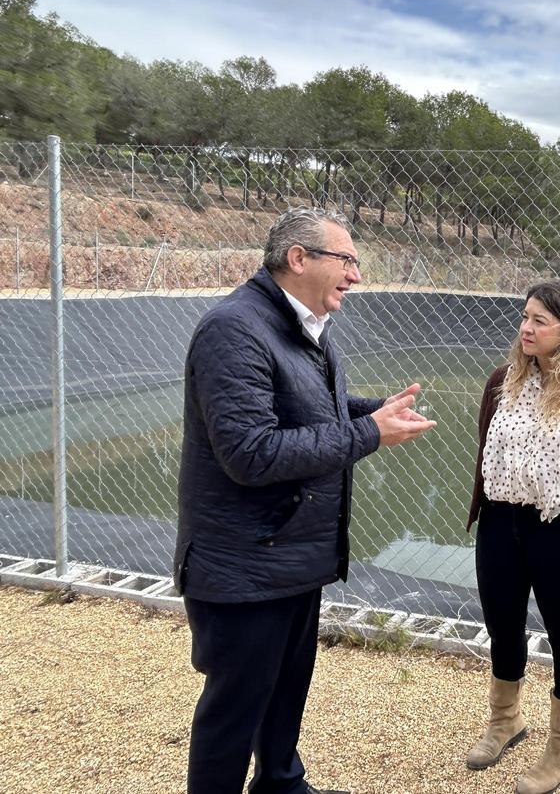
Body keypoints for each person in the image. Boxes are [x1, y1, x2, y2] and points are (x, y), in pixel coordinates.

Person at [173, 207, 436, 794]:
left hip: (291, 557)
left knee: (286, 688)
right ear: (299, 258)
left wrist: (372, 411)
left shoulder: (306, 326)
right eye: (347, 260)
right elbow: (250, 451)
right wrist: (371, 433)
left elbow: (308, 409)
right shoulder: (234, 329)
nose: (357, 275)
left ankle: (281, 785)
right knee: (234, 712)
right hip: (244, 565)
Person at [464, 280, 560, 794]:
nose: (525, 328)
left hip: (558, 532)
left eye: (539, 320)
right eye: (525, 317)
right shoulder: (501, 380)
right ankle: (505, 720)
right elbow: (490, 446)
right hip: (499, 525)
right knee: (502, 625)